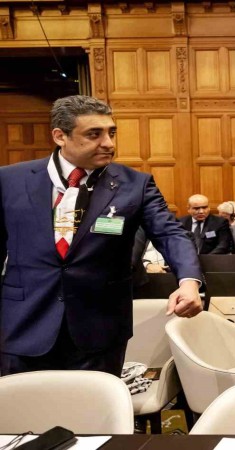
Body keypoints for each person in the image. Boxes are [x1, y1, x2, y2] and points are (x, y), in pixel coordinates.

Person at [0, 95, 203, 376]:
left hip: (99, 328)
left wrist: (189, 281)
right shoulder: (10, 180)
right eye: (94, 134)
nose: (108, 143)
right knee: (23, 404)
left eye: (111, 133)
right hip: (23, 324)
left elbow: (171, 233)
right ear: (60, 136)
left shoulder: (135, 184)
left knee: (91, 404)